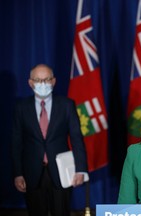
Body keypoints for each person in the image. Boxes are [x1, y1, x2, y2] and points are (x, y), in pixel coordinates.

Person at [11, 64, 88, 216]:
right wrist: (18, 173)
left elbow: (77, 139)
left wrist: (80, 169)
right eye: (38, 80)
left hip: (61, 172)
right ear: (31, 83)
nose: (43, 84)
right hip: (31, 173)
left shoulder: (67, 105)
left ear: (53, 81)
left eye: (46, 79)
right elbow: (16, 143)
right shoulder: (21, 107)